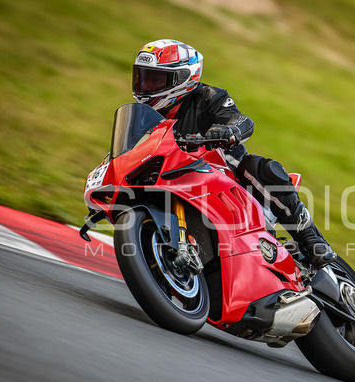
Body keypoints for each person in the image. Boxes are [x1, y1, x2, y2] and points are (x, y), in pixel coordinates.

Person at [132, 39, 336, 269]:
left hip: (223, 175)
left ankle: (312, 241)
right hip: (174, 180)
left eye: (156, 80)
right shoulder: (144, 117)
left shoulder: (209, 96)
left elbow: (241, 120)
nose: (146, 86)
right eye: (143, 78)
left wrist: (227, 131)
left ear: (182, 78)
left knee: (259, 167)